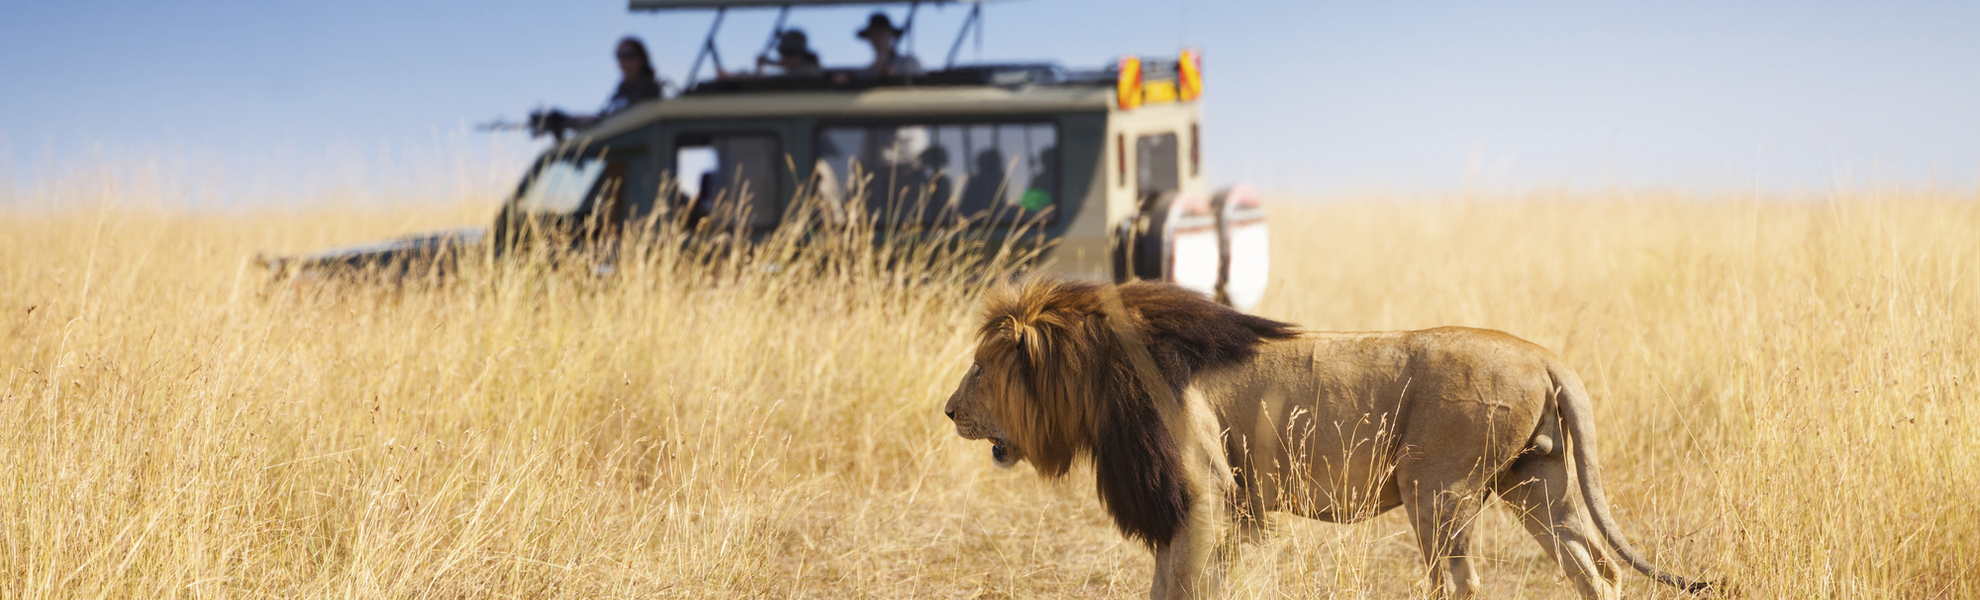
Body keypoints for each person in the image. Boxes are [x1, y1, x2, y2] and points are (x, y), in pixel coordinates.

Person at [532, 37, 663, 140]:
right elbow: (603, 119)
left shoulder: (648, 90)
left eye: (628, 55)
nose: (622, 61)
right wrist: (565, 120)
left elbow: (623, 123)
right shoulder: (620, 92)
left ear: (640, 58)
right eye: (619, 55)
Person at [856, 12, 921, 77]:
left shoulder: (909, 63)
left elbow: (919, 85)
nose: (878, 37)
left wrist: (895, 77)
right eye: (873, 33)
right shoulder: (865, 73)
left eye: (882, 32)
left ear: (891, 34)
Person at [755, 30, 823, 77]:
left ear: (800, 55)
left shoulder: (807, 72)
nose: (783, 58)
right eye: (783, 54)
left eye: (788, 53)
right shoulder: (796, 70)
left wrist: (767, 63)